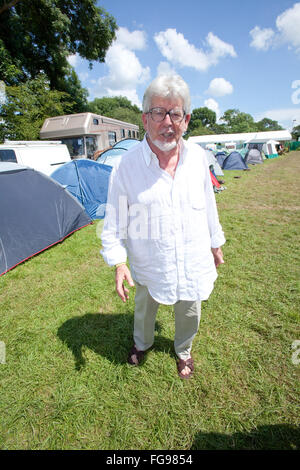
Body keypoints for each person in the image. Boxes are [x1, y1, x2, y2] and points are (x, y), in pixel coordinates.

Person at [101, 74, 225, 379]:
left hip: (192, 254)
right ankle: (142, 343)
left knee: (190, 308)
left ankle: (184, 351)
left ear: (186, 120)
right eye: (158, 112)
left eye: (175, 113)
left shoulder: (198, 157)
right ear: (145, 119)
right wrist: (118, 262)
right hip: (149, 259)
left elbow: (209, 203)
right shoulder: (125, 166)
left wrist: (214, 241)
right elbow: (114, 219)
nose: (167, 122)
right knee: (145, 308)